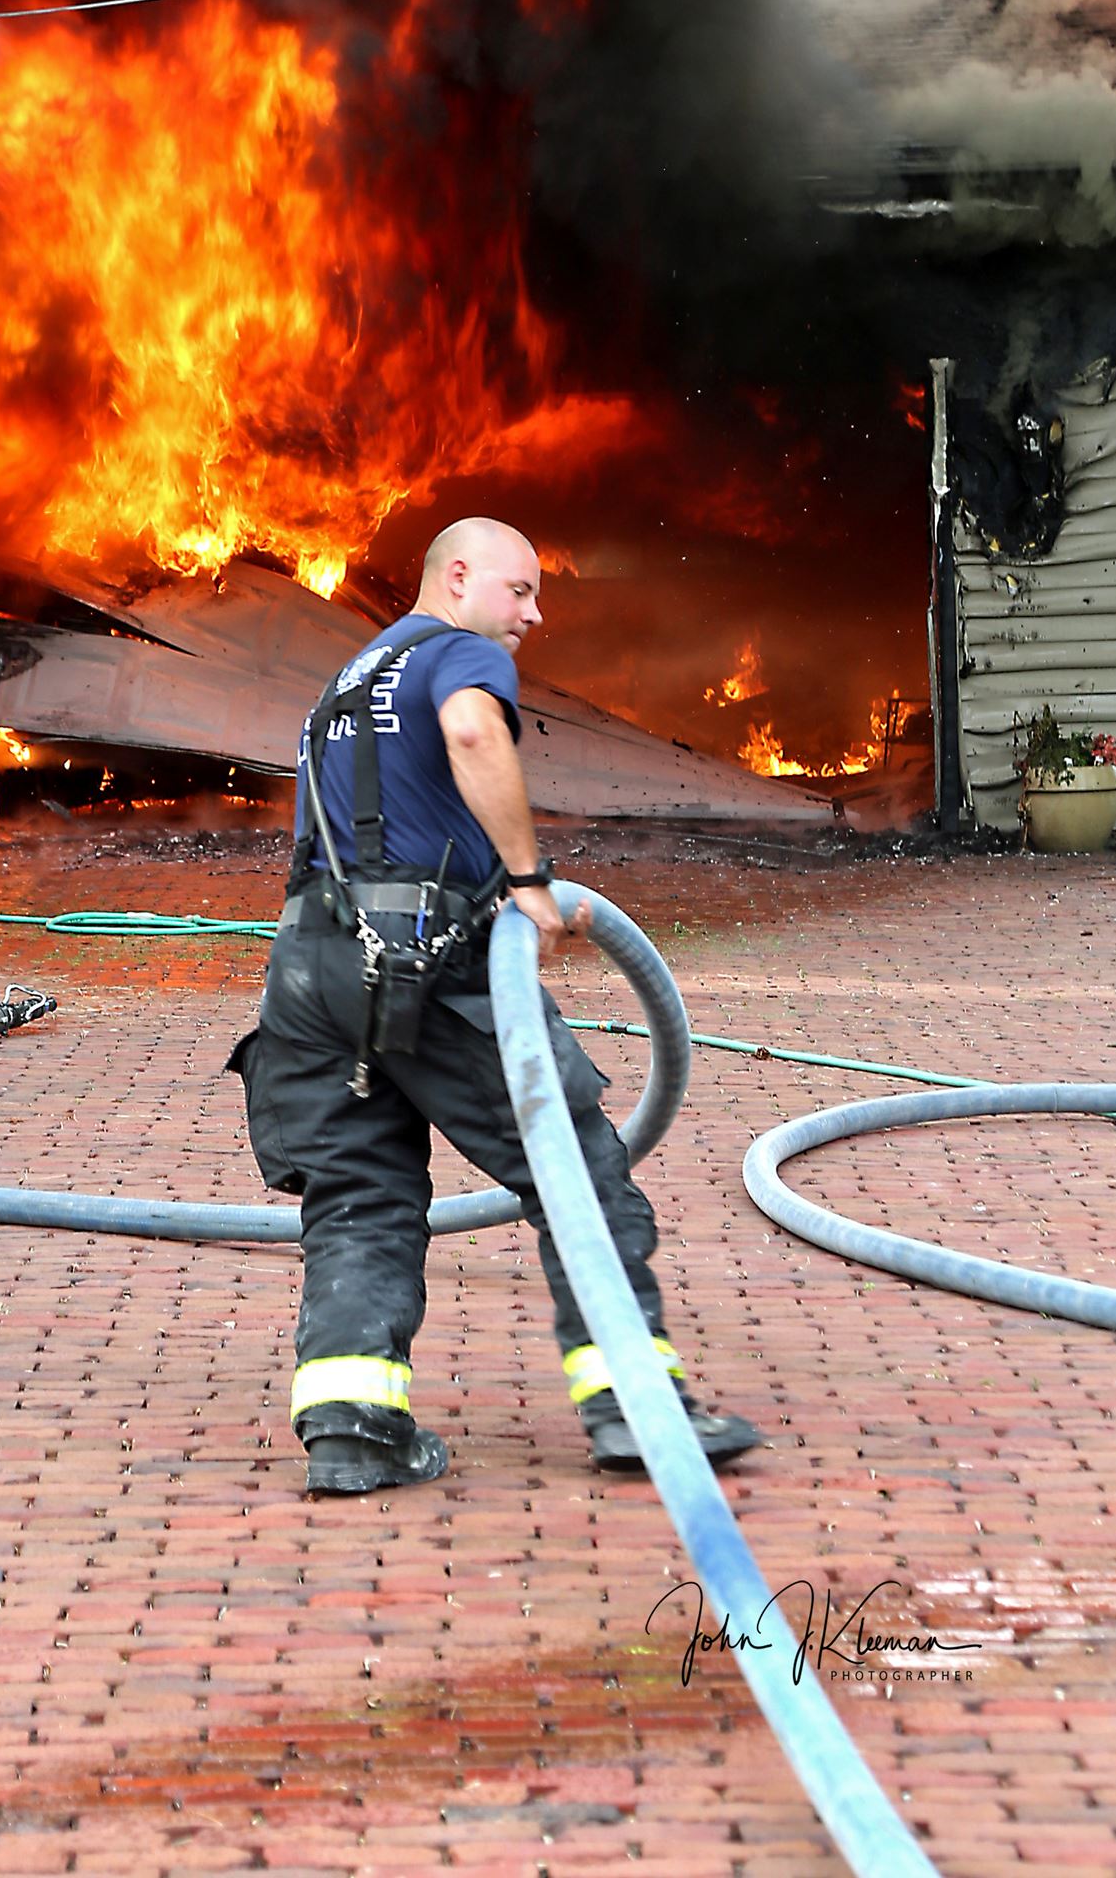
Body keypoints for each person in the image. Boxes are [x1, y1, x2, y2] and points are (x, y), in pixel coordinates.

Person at [229, 518, 765, 1495]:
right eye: (520, 589)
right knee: (577, 1168)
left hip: (307, 970)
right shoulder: (460, 653)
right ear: (459, 577)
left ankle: (354, 1430)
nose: (534, 612)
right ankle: (635, 1408)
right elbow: (472, 729)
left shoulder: (345, 680)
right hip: (429, 960)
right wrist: (527, 878)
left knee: (360, 1190)